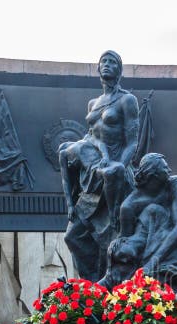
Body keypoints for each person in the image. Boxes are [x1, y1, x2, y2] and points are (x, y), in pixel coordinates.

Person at [59, 50, 139, 281]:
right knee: (73, 236)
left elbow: (132, 141)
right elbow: (92, 135)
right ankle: (90, 287)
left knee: (111, 239)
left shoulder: (127, 100)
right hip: (92, 176)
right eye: (103, 61)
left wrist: (120, 167)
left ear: (119, 70)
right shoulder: (93, 103)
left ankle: (110, 287)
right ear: (98, 69)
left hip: (115, 176)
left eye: (112, 62)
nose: (107, 65)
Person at [98, 153, 177, 290]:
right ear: (153, 175)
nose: (169, 171)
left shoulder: (175, 182)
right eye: (165, 168)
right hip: (152, 253)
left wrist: (154, 260)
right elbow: (126, 241)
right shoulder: (129, 206)